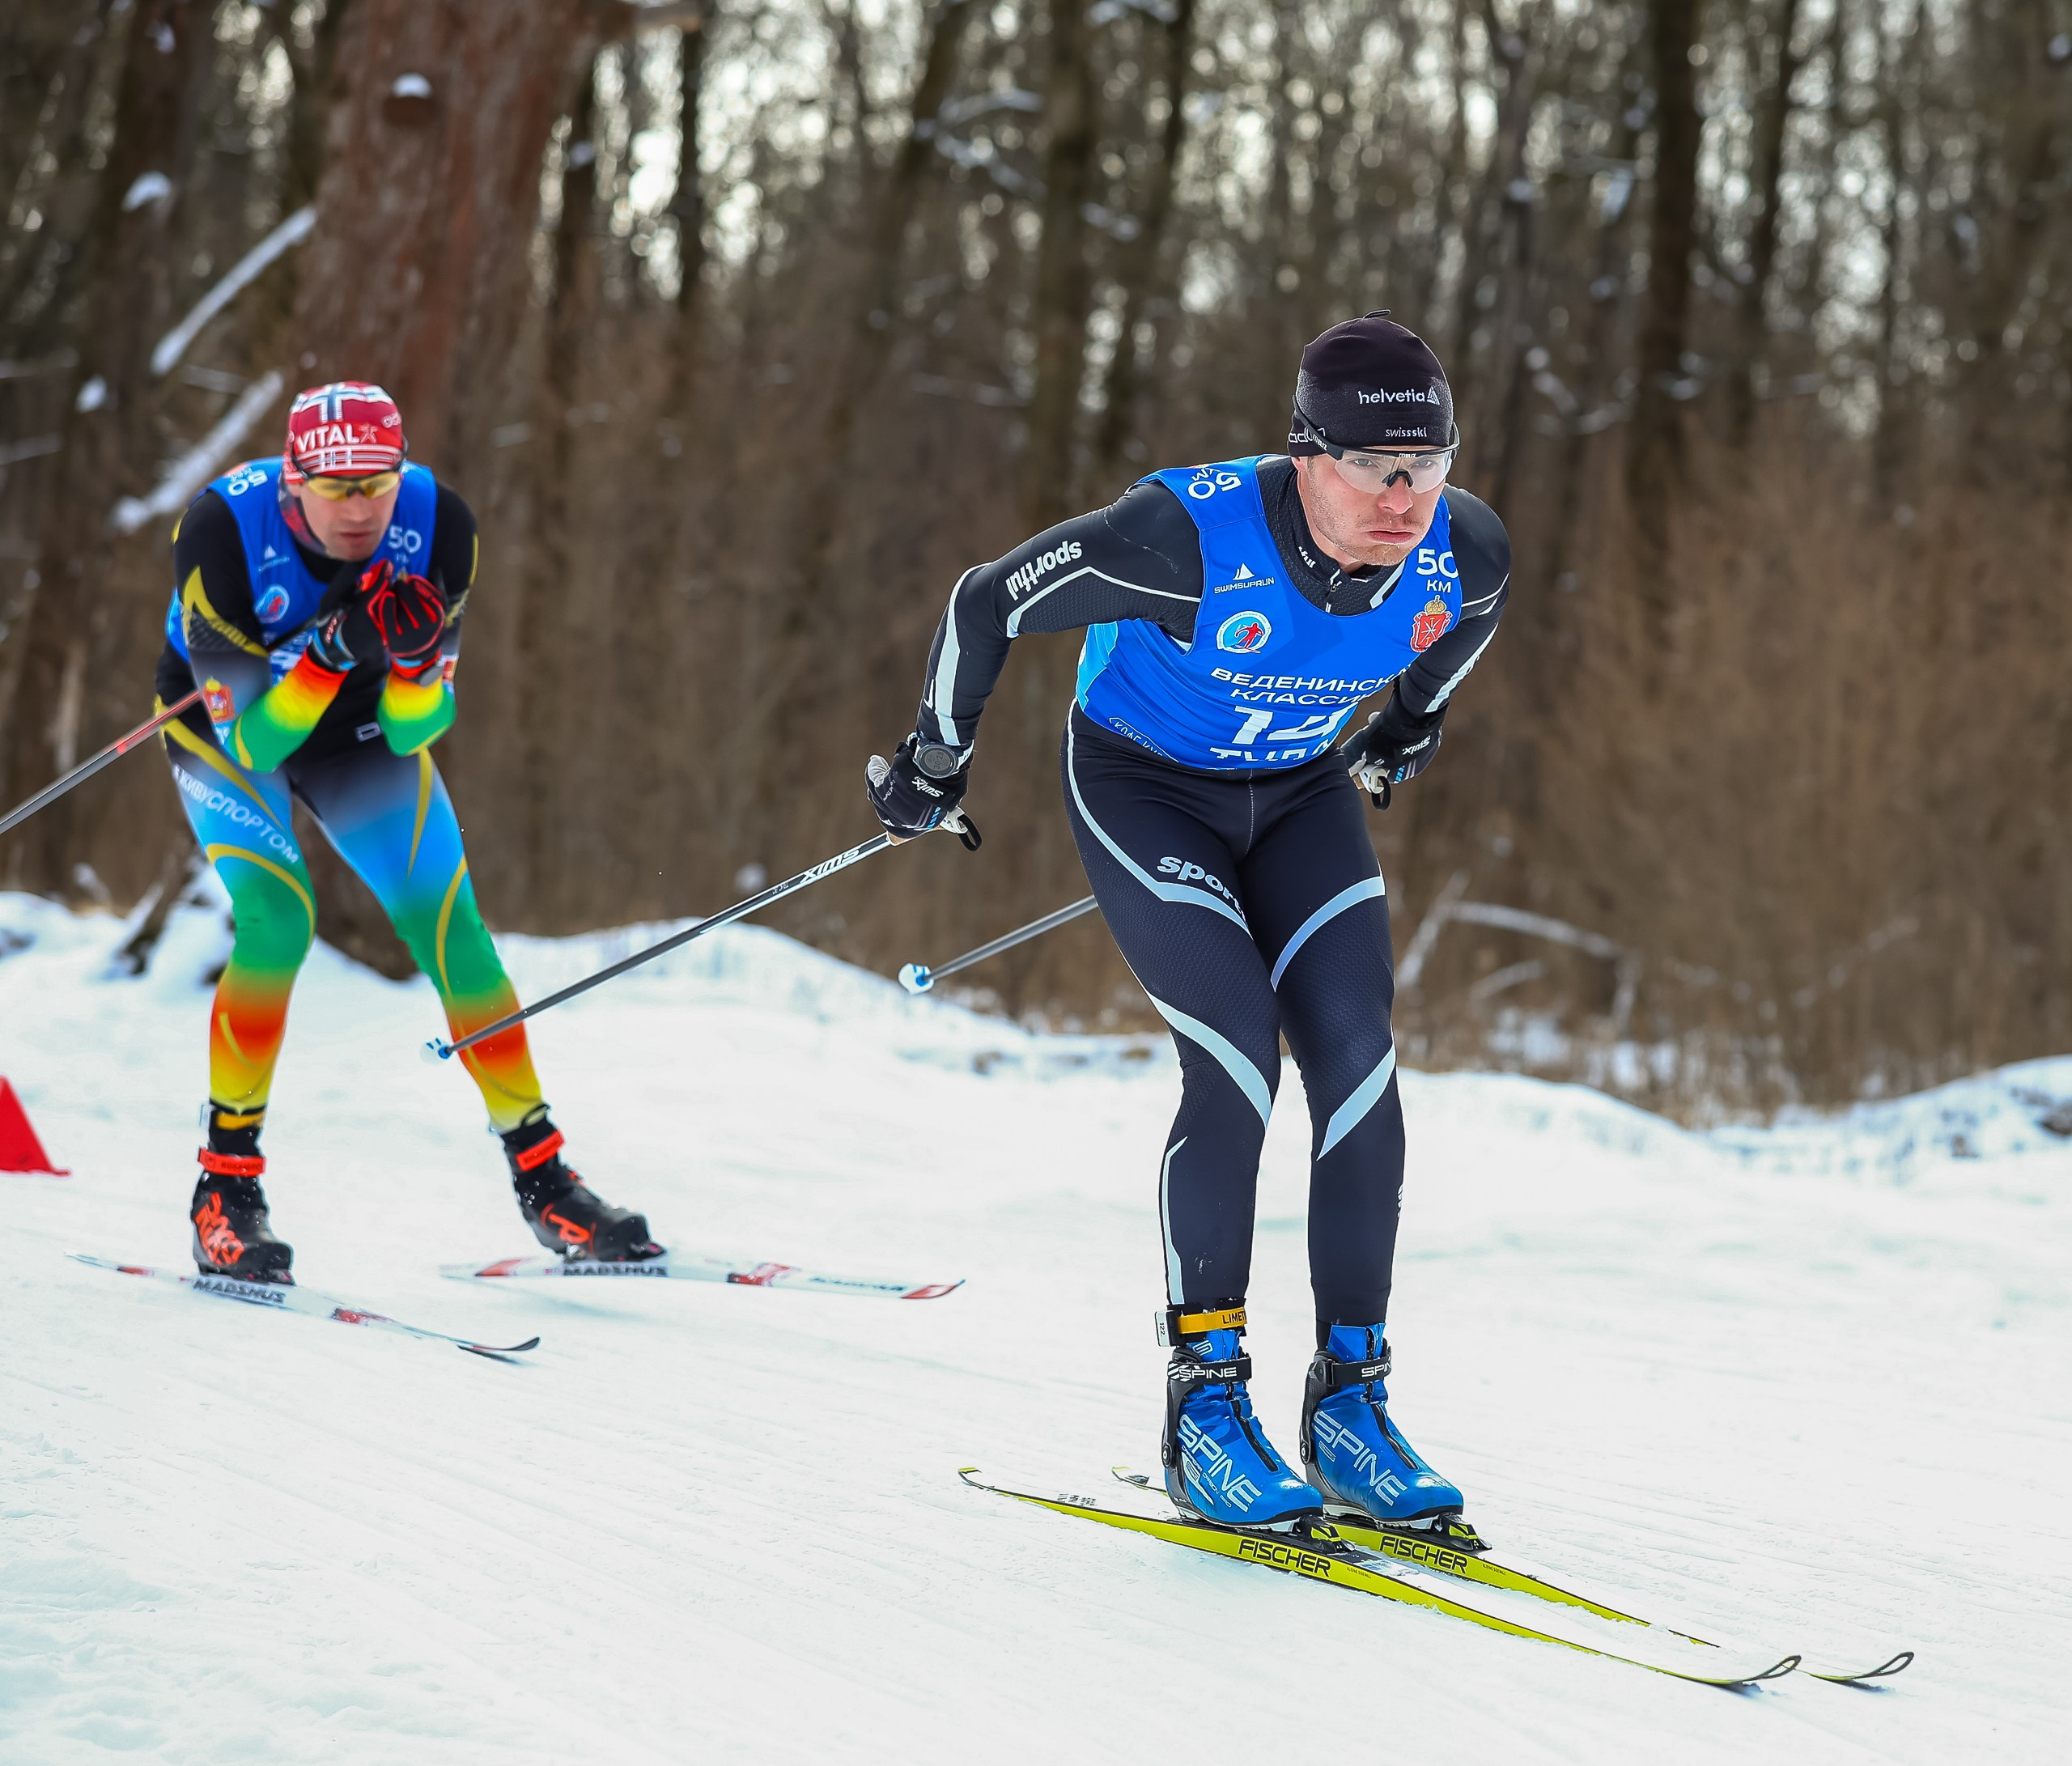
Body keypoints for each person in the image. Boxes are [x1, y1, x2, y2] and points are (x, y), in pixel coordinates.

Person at [867, 315, 1509, 1532]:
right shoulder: (1182, 539)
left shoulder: (1459, 549)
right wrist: (933, 763)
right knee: (1236, 1058)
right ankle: (1205, 1406)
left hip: (1305, 793)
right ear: (1307, 455)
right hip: (1145, 785)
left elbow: (1466, 624)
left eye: (1429, 467)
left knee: (1360, 1057)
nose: (1406, 497)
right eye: (1377, 468)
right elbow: (986, 599)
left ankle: (1351, 1406)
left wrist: (1409, 723)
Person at [155, 381, 660, 1281]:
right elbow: (258, 738)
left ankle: (545, 1183)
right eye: (338, 490)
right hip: (231, 725)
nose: (361, 511)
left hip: (356, 726)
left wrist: (418, 663)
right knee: (279, 920)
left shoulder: (438, 524)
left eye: (377, 485)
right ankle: (222, 1191)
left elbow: (409, 731)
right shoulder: (221, 529)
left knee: (451, 926)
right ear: (291, 482)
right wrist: (329, 654)